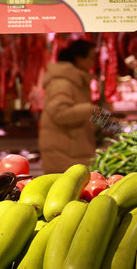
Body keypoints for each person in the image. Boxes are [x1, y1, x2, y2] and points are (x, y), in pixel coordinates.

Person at [39, 39, 101, 173]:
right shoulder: (62, 82)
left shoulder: (75, 80)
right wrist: (91, 110)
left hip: (72, 151)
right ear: (79, 59)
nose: (93, 62)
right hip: (63, 156)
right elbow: (59, 113)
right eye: (91, 57)